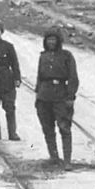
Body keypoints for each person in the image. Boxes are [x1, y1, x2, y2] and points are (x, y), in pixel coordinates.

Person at [34, 29, 79, 165]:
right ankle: (54, 157)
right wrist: (38, 95)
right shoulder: (43, 56)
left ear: (58, 41)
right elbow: (39, 77)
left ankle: (67, 160)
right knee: (47, 128)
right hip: (44, 96)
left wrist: (70, 96)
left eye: (54, 39)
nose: (51, 42)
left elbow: (73, 77)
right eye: (49, 40)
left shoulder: (66, 56)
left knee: (64, 128)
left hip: (61, 95)